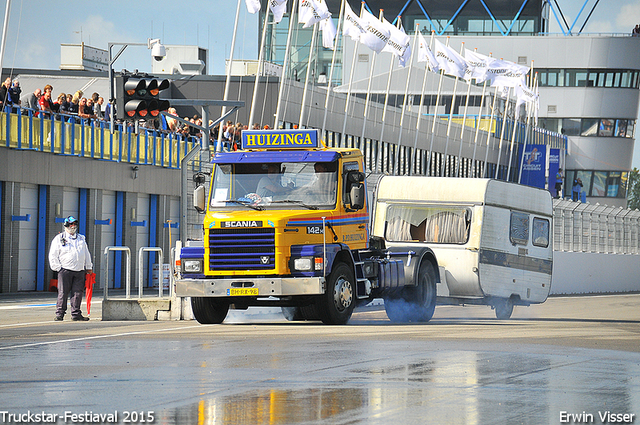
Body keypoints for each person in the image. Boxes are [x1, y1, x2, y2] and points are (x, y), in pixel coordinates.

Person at [48, 216, 93, 321]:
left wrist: (89, 267)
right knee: (63, 292)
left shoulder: (81, 238)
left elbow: (86, 253)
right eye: (70, 224)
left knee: (78, 292)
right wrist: (58, 268)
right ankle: (60, 313)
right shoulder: (59, 238)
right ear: (66, 226)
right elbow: (53, 254)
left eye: (74, 224)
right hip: (65, 270)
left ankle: (76, 314)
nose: (72, 227)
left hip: (79, 270)